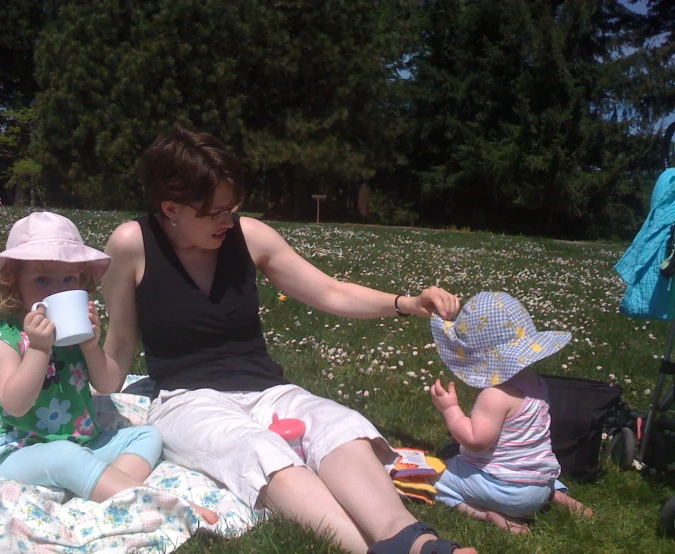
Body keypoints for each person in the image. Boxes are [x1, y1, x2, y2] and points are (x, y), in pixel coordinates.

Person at [101, 124, 478, 554]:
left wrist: (405, 303)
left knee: (340, 427)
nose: (229, 220)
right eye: (215, 212)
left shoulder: (248, 235)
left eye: (233, 207)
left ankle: (414, 541)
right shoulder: (133, 245)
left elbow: (329, 291)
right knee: (259, 449)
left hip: (266, 389)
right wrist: (83, 369)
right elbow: (122, 342)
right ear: (171, 208)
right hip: (186, 397)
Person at [0, 210, 217, 523]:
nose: (57, 290)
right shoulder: (3, 338)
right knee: (66, 458)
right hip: (18, 452)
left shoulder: (72, 333)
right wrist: (38, 349)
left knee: (146, 436)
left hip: (82, 442)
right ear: (13, 283)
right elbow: (15, 405)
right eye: (41, 279)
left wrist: (91, 345)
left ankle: (101, 487)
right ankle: (162, 504)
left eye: (68, 280)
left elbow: (107, 384)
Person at [429, 291, 593, 534]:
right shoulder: (536, 383)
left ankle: (489, 515)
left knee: (434, 478)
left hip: (507, 492)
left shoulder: (494, 395)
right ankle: (556, 496)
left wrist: (450, 409)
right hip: (538, 484)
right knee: (526, 465)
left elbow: (477, 442)